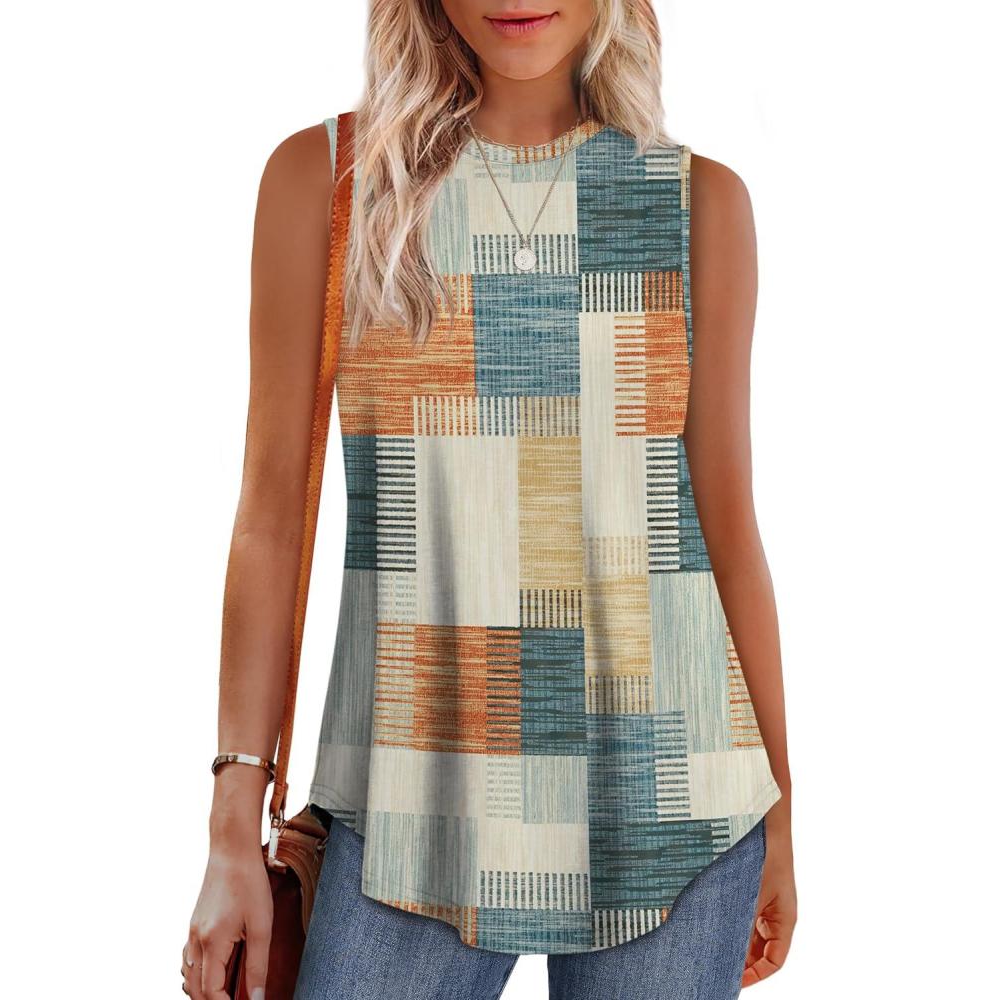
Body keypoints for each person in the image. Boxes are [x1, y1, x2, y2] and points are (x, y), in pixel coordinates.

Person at [181, 2, 797, 998]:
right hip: (407, 811)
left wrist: (783, 815)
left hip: (679, 806)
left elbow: (726, 528)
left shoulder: (697, 204)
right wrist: (228, 830)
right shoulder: (329, 184)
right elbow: (268, 521)